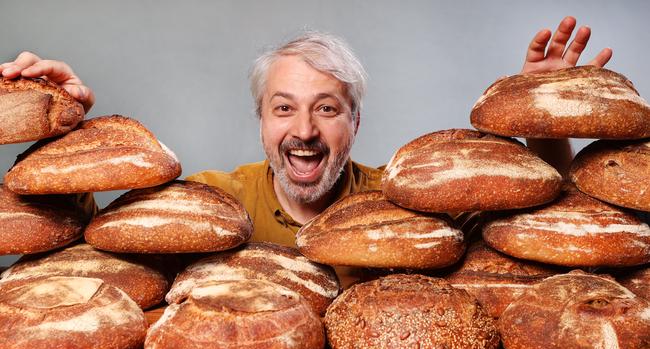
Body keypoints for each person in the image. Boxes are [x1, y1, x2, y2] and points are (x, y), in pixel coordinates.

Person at [0, 16, 613, 247]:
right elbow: (74, 240)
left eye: (327, 108)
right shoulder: (210, 202)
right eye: (284, 108)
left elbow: (550, 235)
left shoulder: (414, 206)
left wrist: (545, 115)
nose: (305, 130)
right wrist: (62, 132)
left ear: (355, 122)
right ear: (262, 122)